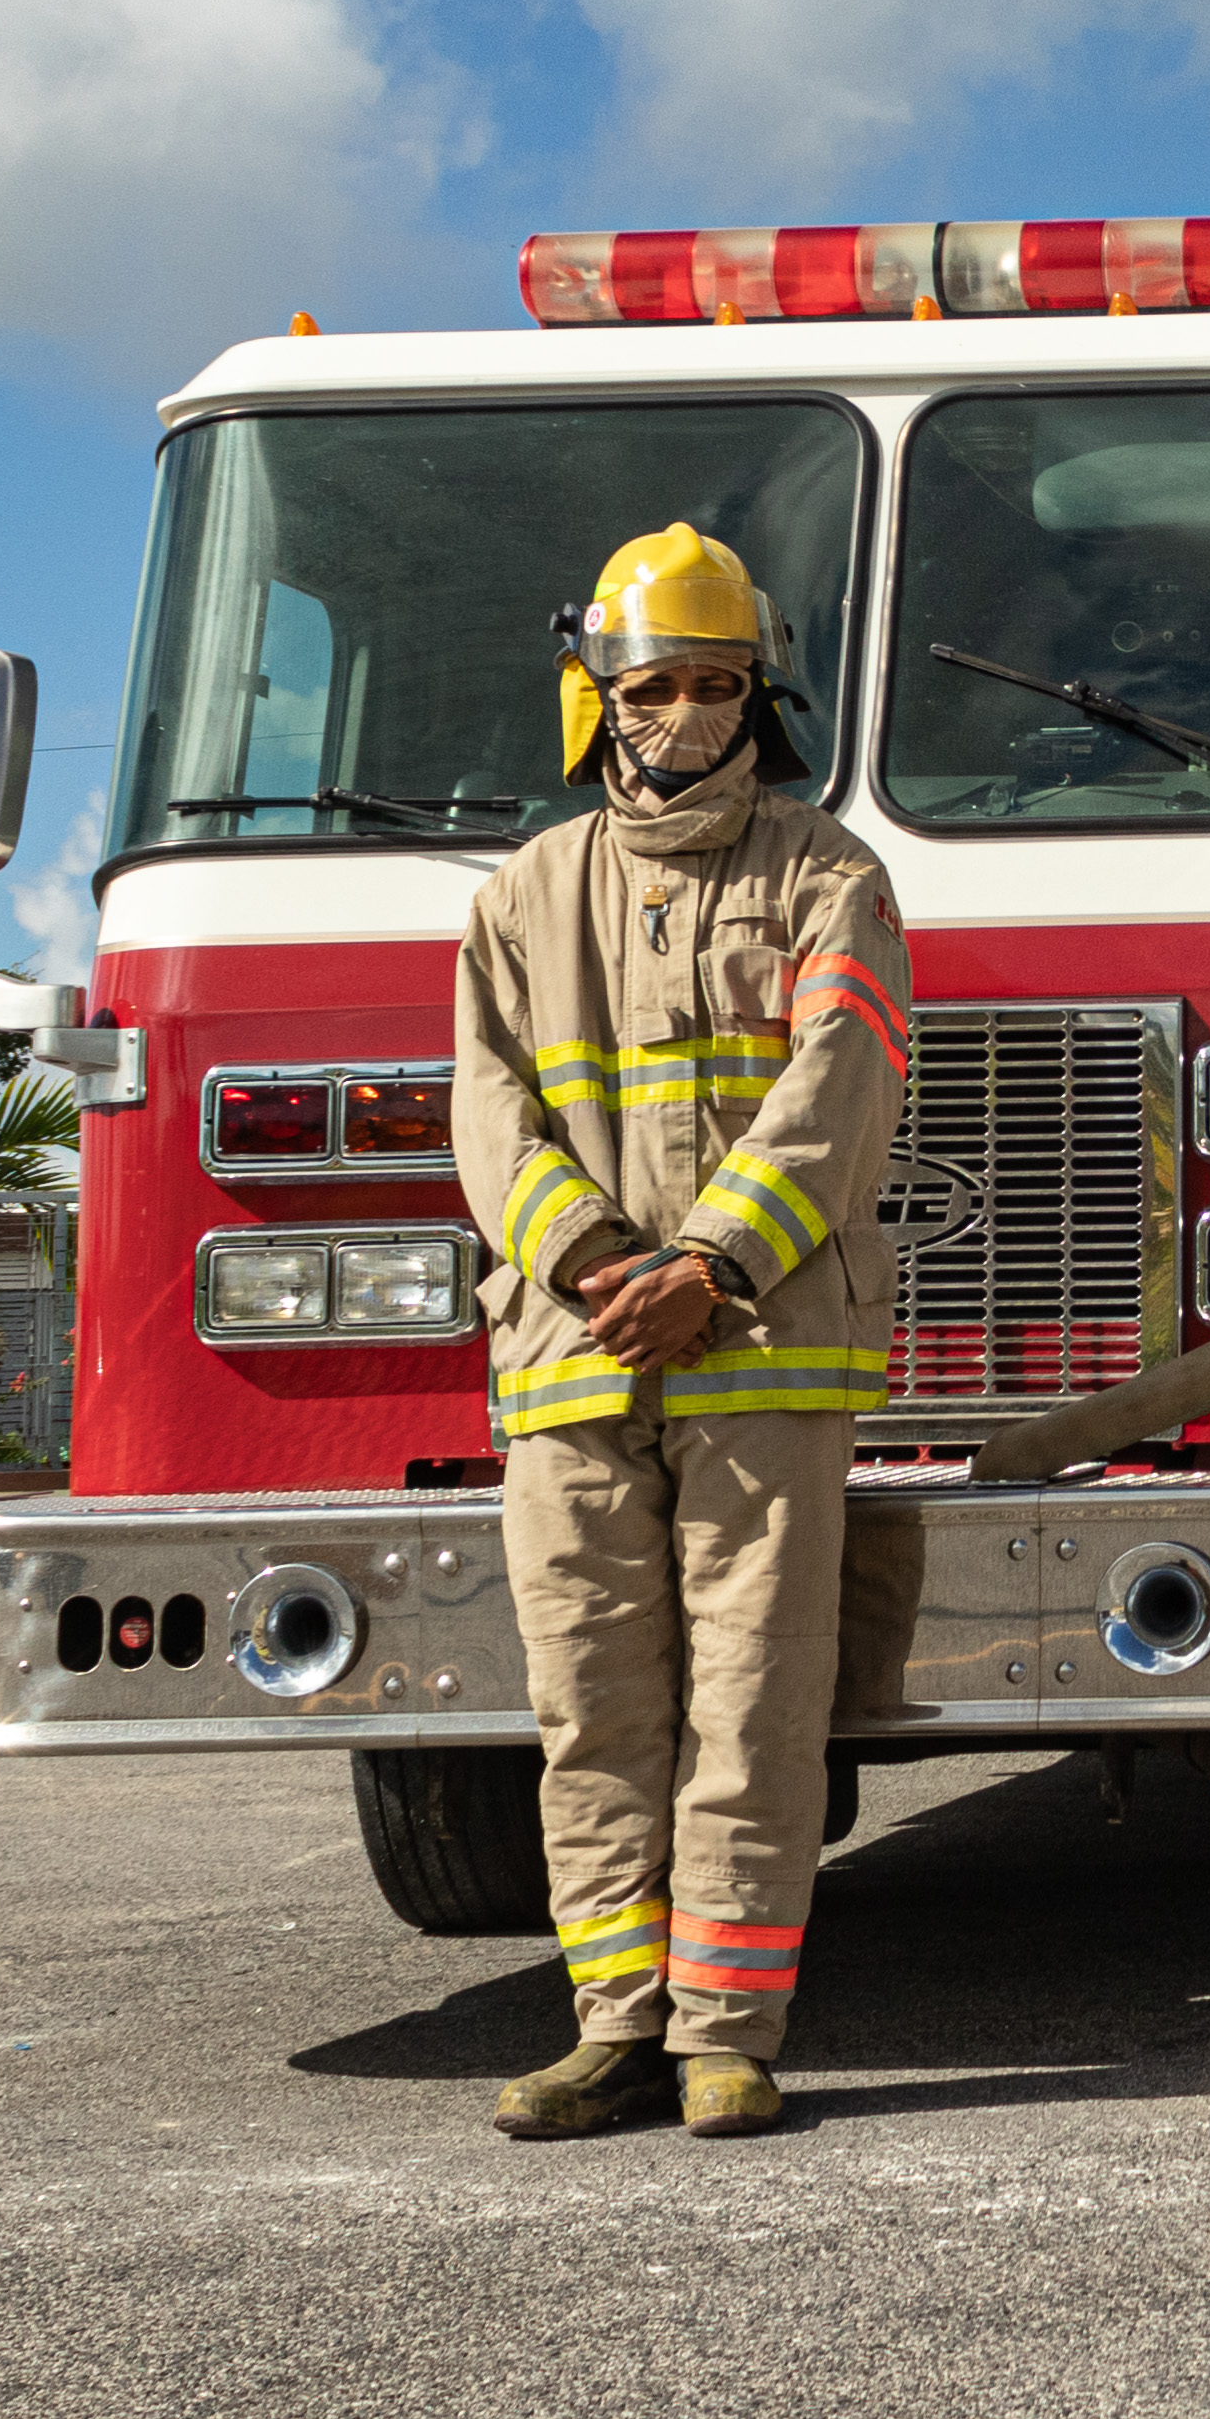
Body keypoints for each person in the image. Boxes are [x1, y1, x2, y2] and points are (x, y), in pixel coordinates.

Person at [448, 524, 918, 2139]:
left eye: (717, 684)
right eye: (654, 684)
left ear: (759, 696)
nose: (685, 714)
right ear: (596, 698)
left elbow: (837, 1091)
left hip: (760, 1356)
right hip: (572, 1358)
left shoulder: (830, 878)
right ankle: (610, 2031)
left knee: (757, 1708)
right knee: (593, 1710)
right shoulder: (521, 897)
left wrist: (709, 1266)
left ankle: (729, 2032)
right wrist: (589, 1263)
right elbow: (487, 1109)